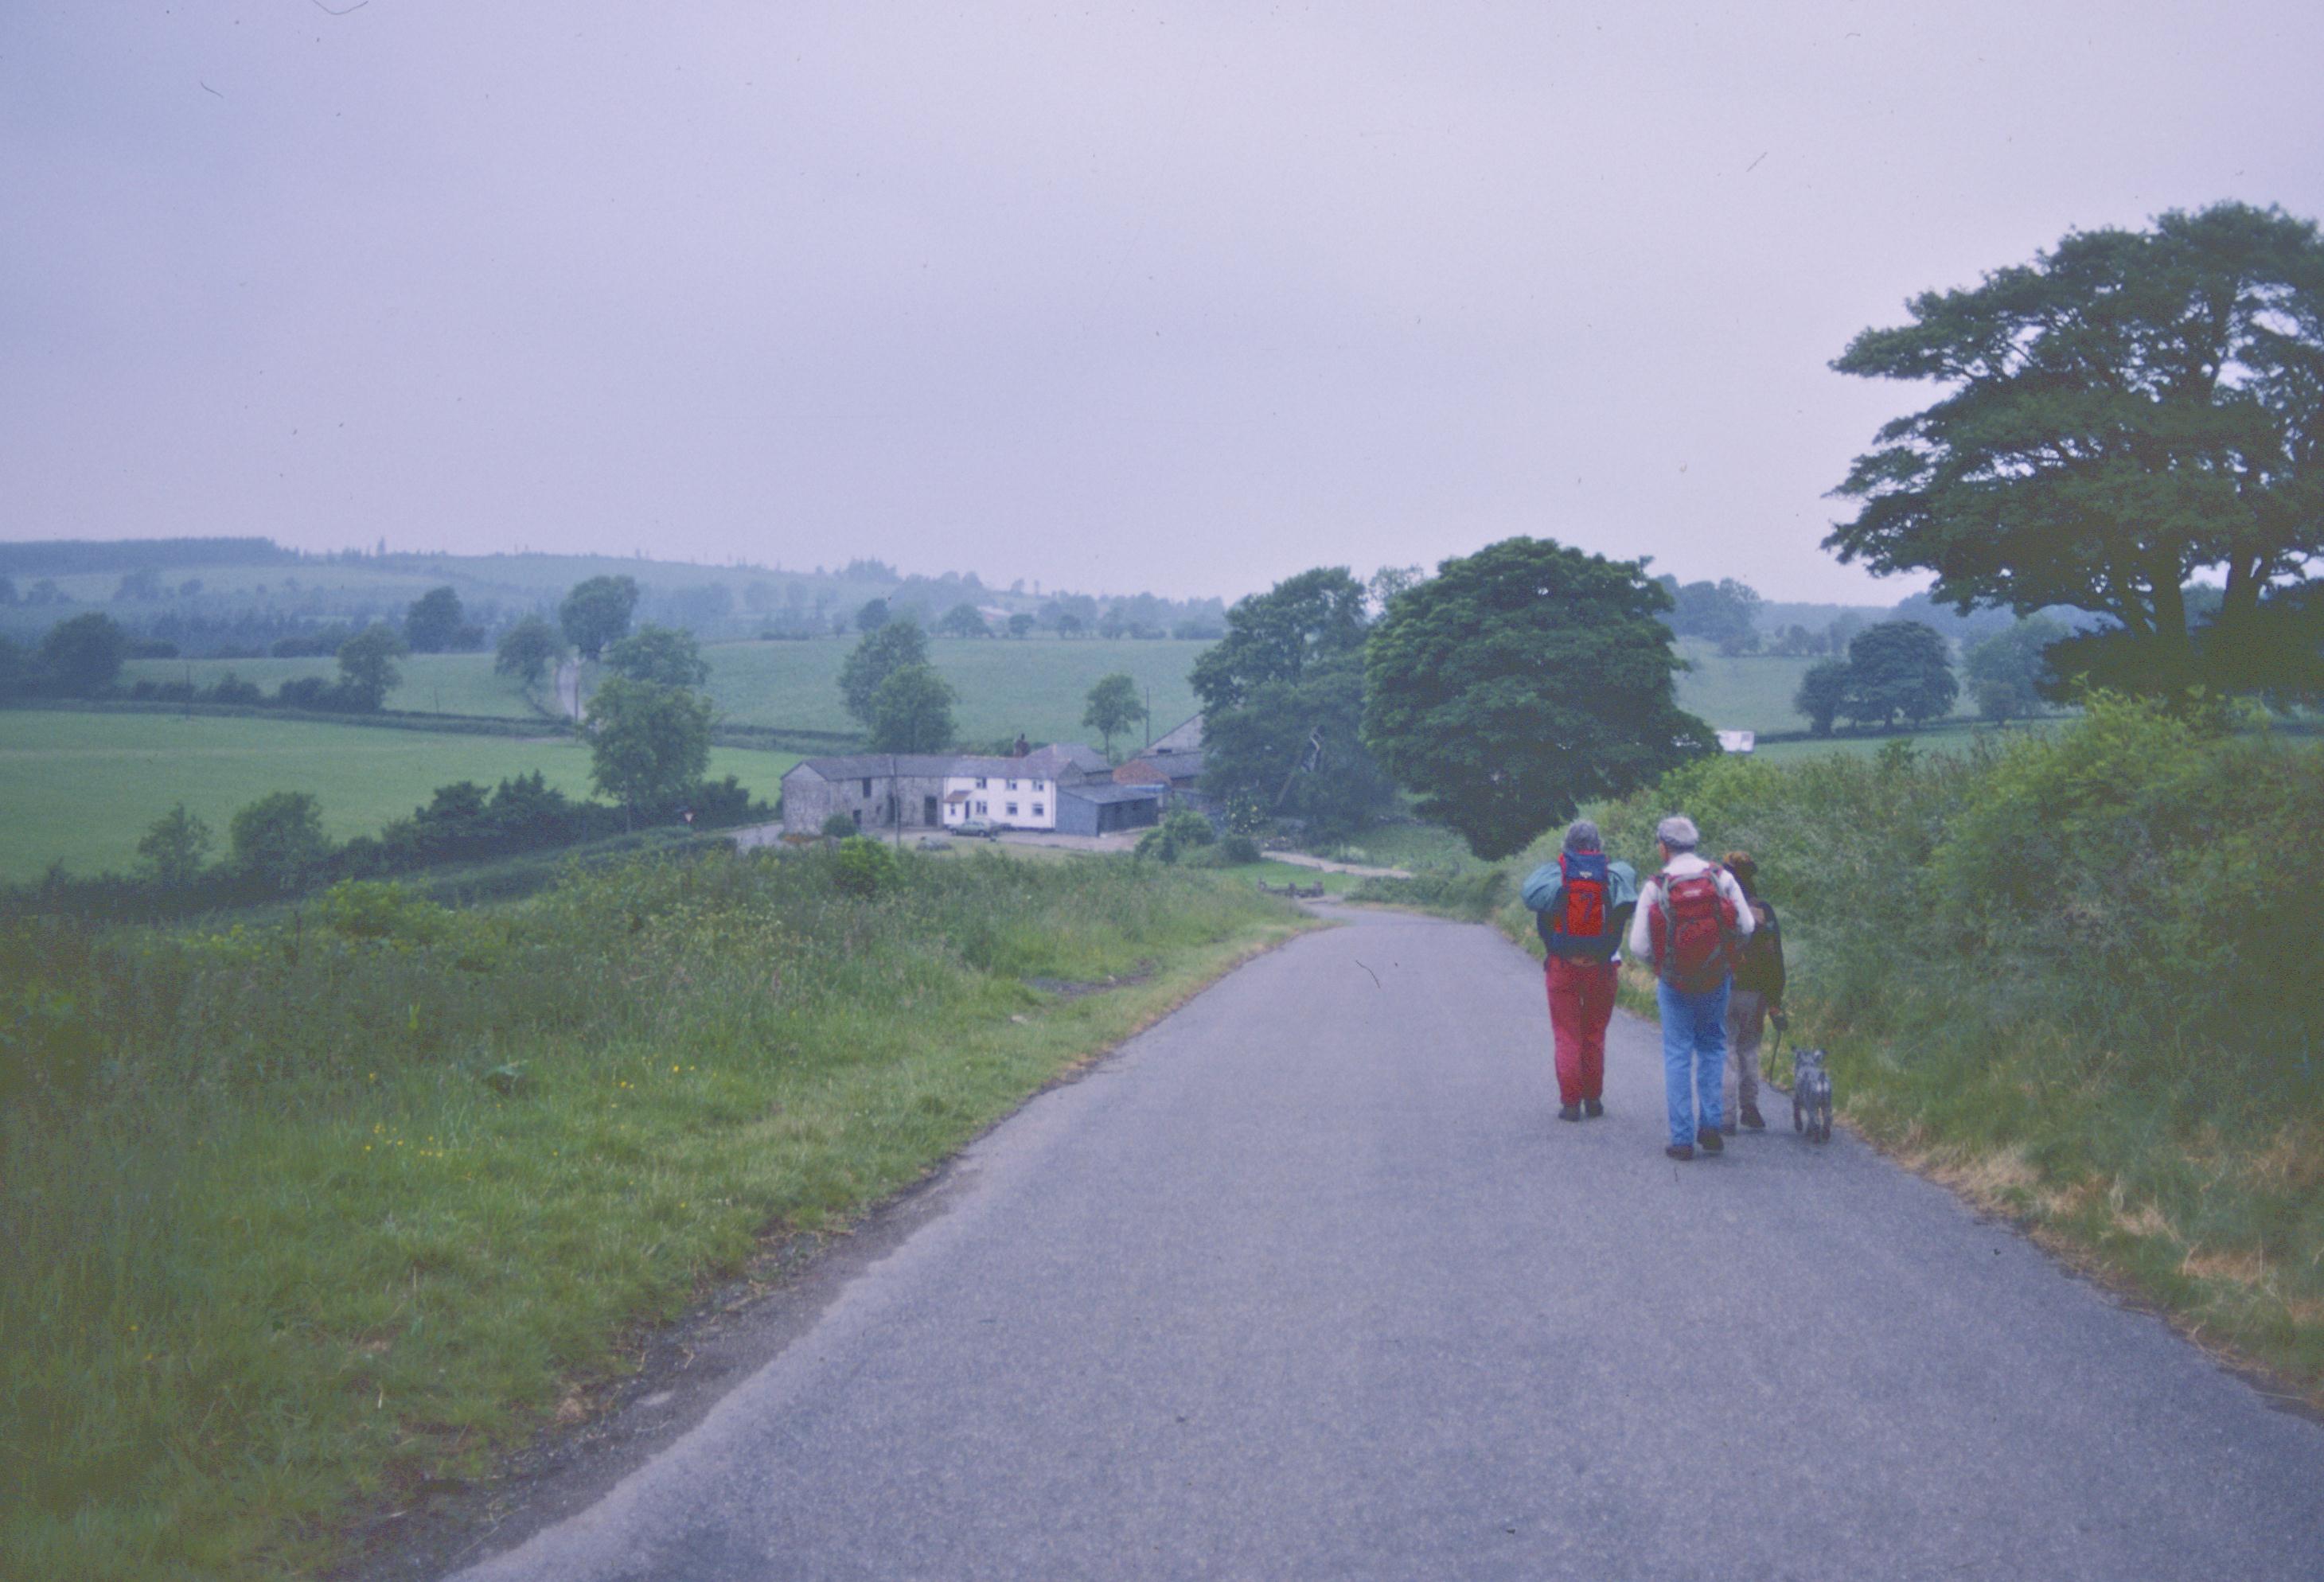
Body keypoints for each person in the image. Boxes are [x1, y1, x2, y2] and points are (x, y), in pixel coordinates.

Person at [1626, 814, 1753, 1161]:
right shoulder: (1720, 876)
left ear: (1664, 847)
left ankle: (1682, 1139)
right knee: (1713, 1046)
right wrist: (1725, 955)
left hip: (1675, 982)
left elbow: (1638, 945)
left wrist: (1660, 965)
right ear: (1694, 843)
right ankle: (1710, 1125)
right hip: (1715, 979)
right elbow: (1747, 924)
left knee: (1677, 1054)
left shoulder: (1657, 885)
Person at [1522, 820, 1637, 1124]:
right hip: (1601, 968)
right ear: (1598, 846)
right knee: (1594, 1034)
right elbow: (1623, 915)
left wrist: (1557, 945)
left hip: (1563, 967)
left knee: (1566, 1035)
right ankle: (1594, 1099)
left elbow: (1538, 912)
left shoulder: (1555, 876)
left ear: (1566, 845)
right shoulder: (1613, 877)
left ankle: (1571, 1104)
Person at [1719, 851, 1785, 1135]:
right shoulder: (1763, 910)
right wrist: (1774, 1001)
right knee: (1749, 1049)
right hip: (1756, 994)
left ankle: (1726, 1116)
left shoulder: (1720, 906)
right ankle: (1751, 1108)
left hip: (1724, 988)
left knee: (1726, 1050)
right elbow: (1775, 960)